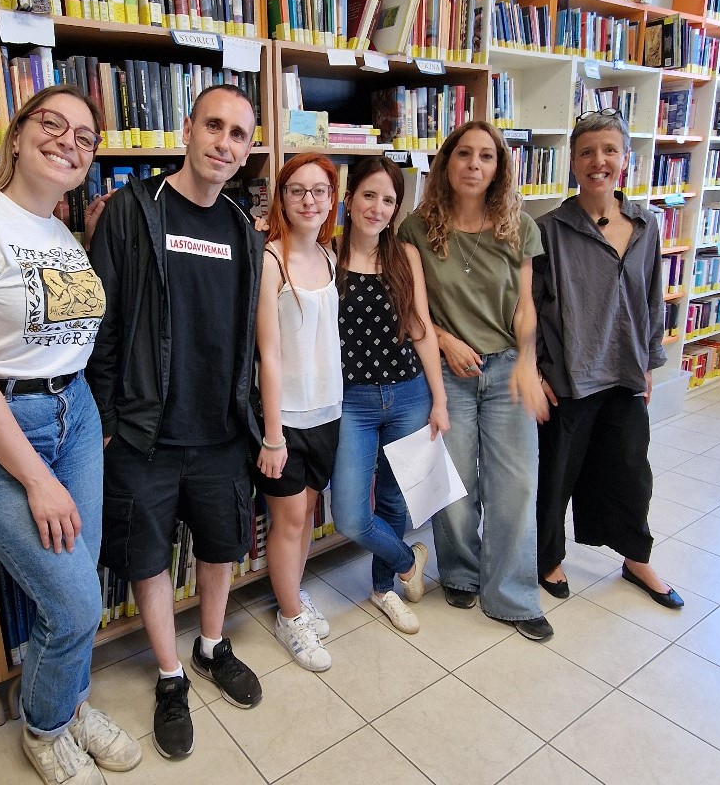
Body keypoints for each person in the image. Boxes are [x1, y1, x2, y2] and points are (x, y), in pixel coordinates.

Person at [0, 85, 141, 785]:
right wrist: (38, 480)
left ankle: (69, 704)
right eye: (52, 123)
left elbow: (58, 331)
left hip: (75, 414)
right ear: (16, 134)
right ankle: (45, 729)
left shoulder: (62, 233)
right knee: (72, 602)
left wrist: (88, 237)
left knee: (76, 592)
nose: (69, 141)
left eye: (85, 137)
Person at [87, 84, 264, 761]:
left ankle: (211, 646)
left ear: (247, 151)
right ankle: (169, 676)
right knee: (147, 558)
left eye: (238, 134)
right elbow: (102, 322)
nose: (224, 142)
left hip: (221, 430)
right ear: (187, 128)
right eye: (213, 126)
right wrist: (107, 418)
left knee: (221, 548)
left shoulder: (243, 231)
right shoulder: (132, 211)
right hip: (143, 434)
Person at [398, 120, 553, 642]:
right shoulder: (417, 229)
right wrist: (444, 340)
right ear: (447, 162)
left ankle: (511, 594)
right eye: (464, 154)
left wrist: (528, 362)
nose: (474, 165)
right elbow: (412, 305)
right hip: (449, 372)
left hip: (507, 368)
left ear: (499, 167)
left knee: (516, 484)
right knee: (455, 485)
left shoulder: (519, 226)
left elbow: (526, 307)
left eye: (487, 156)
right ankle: (461, 573)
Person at [534, 109, 684, 609]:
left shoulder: (646, 224)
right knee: (558, 473)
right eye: (586, 152)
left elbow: (652, 298)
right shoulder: (549, 230)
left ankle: (635, 557)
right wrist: (537, 371)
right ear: (572, 162)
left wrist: (649, 362)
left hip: (626, 371)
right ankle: (548, 558)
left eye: (609, 150)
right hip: (570, 375)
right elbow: (530, 307)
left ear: (626, 158)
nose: (598, 161)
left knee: (630, 472)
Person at [331, 157, 450, 635]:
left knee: (395, 502)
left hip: (408, 394)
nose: (377, 208)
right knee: (350, 516)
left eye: (388, 200)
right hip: (351, 403)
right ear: (349, 199)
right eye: (368, 195)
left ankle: (384, 589)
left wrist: (439, 400)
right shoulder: (327, 254)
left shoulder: (405, 256)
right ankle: (408, 560)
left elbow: (421, 328)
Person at [254, 154, 342, 672]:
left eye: (319, 191)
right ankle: (289, 615)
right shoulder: (271, 260)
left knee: (306, 514)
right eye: (297, 191)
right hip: (285, 417)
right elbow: (268, 353)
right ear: (282, 200)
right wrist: (272, 436)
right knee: (287, 521)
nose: (309, 200)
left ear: (332, 200)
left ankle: (294, 593)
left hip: (326, 411)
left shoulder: (330, 255)